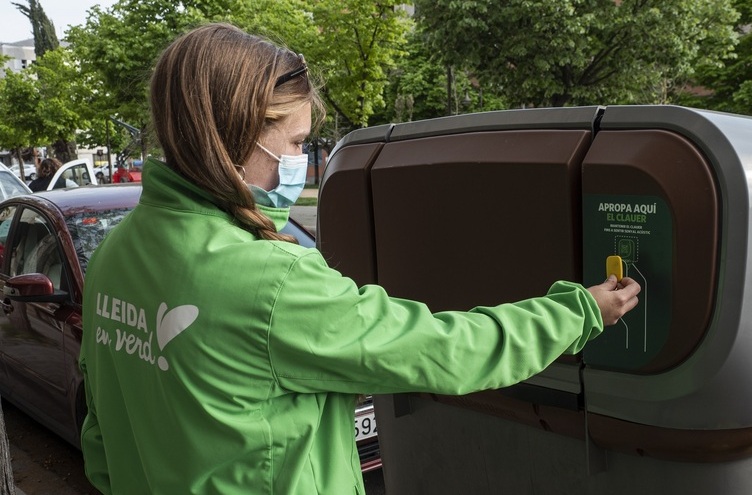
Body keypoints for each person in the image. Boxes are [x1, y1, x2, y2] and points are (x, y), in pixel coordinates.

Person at [78, 23, 640, 495]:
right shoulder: (267, 280)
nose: (301, 160)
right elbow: (445, 351)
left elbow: (101, 436)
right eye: (297, 142)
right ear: (234, 135)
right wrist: (580, 312)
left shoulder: (115, 254)